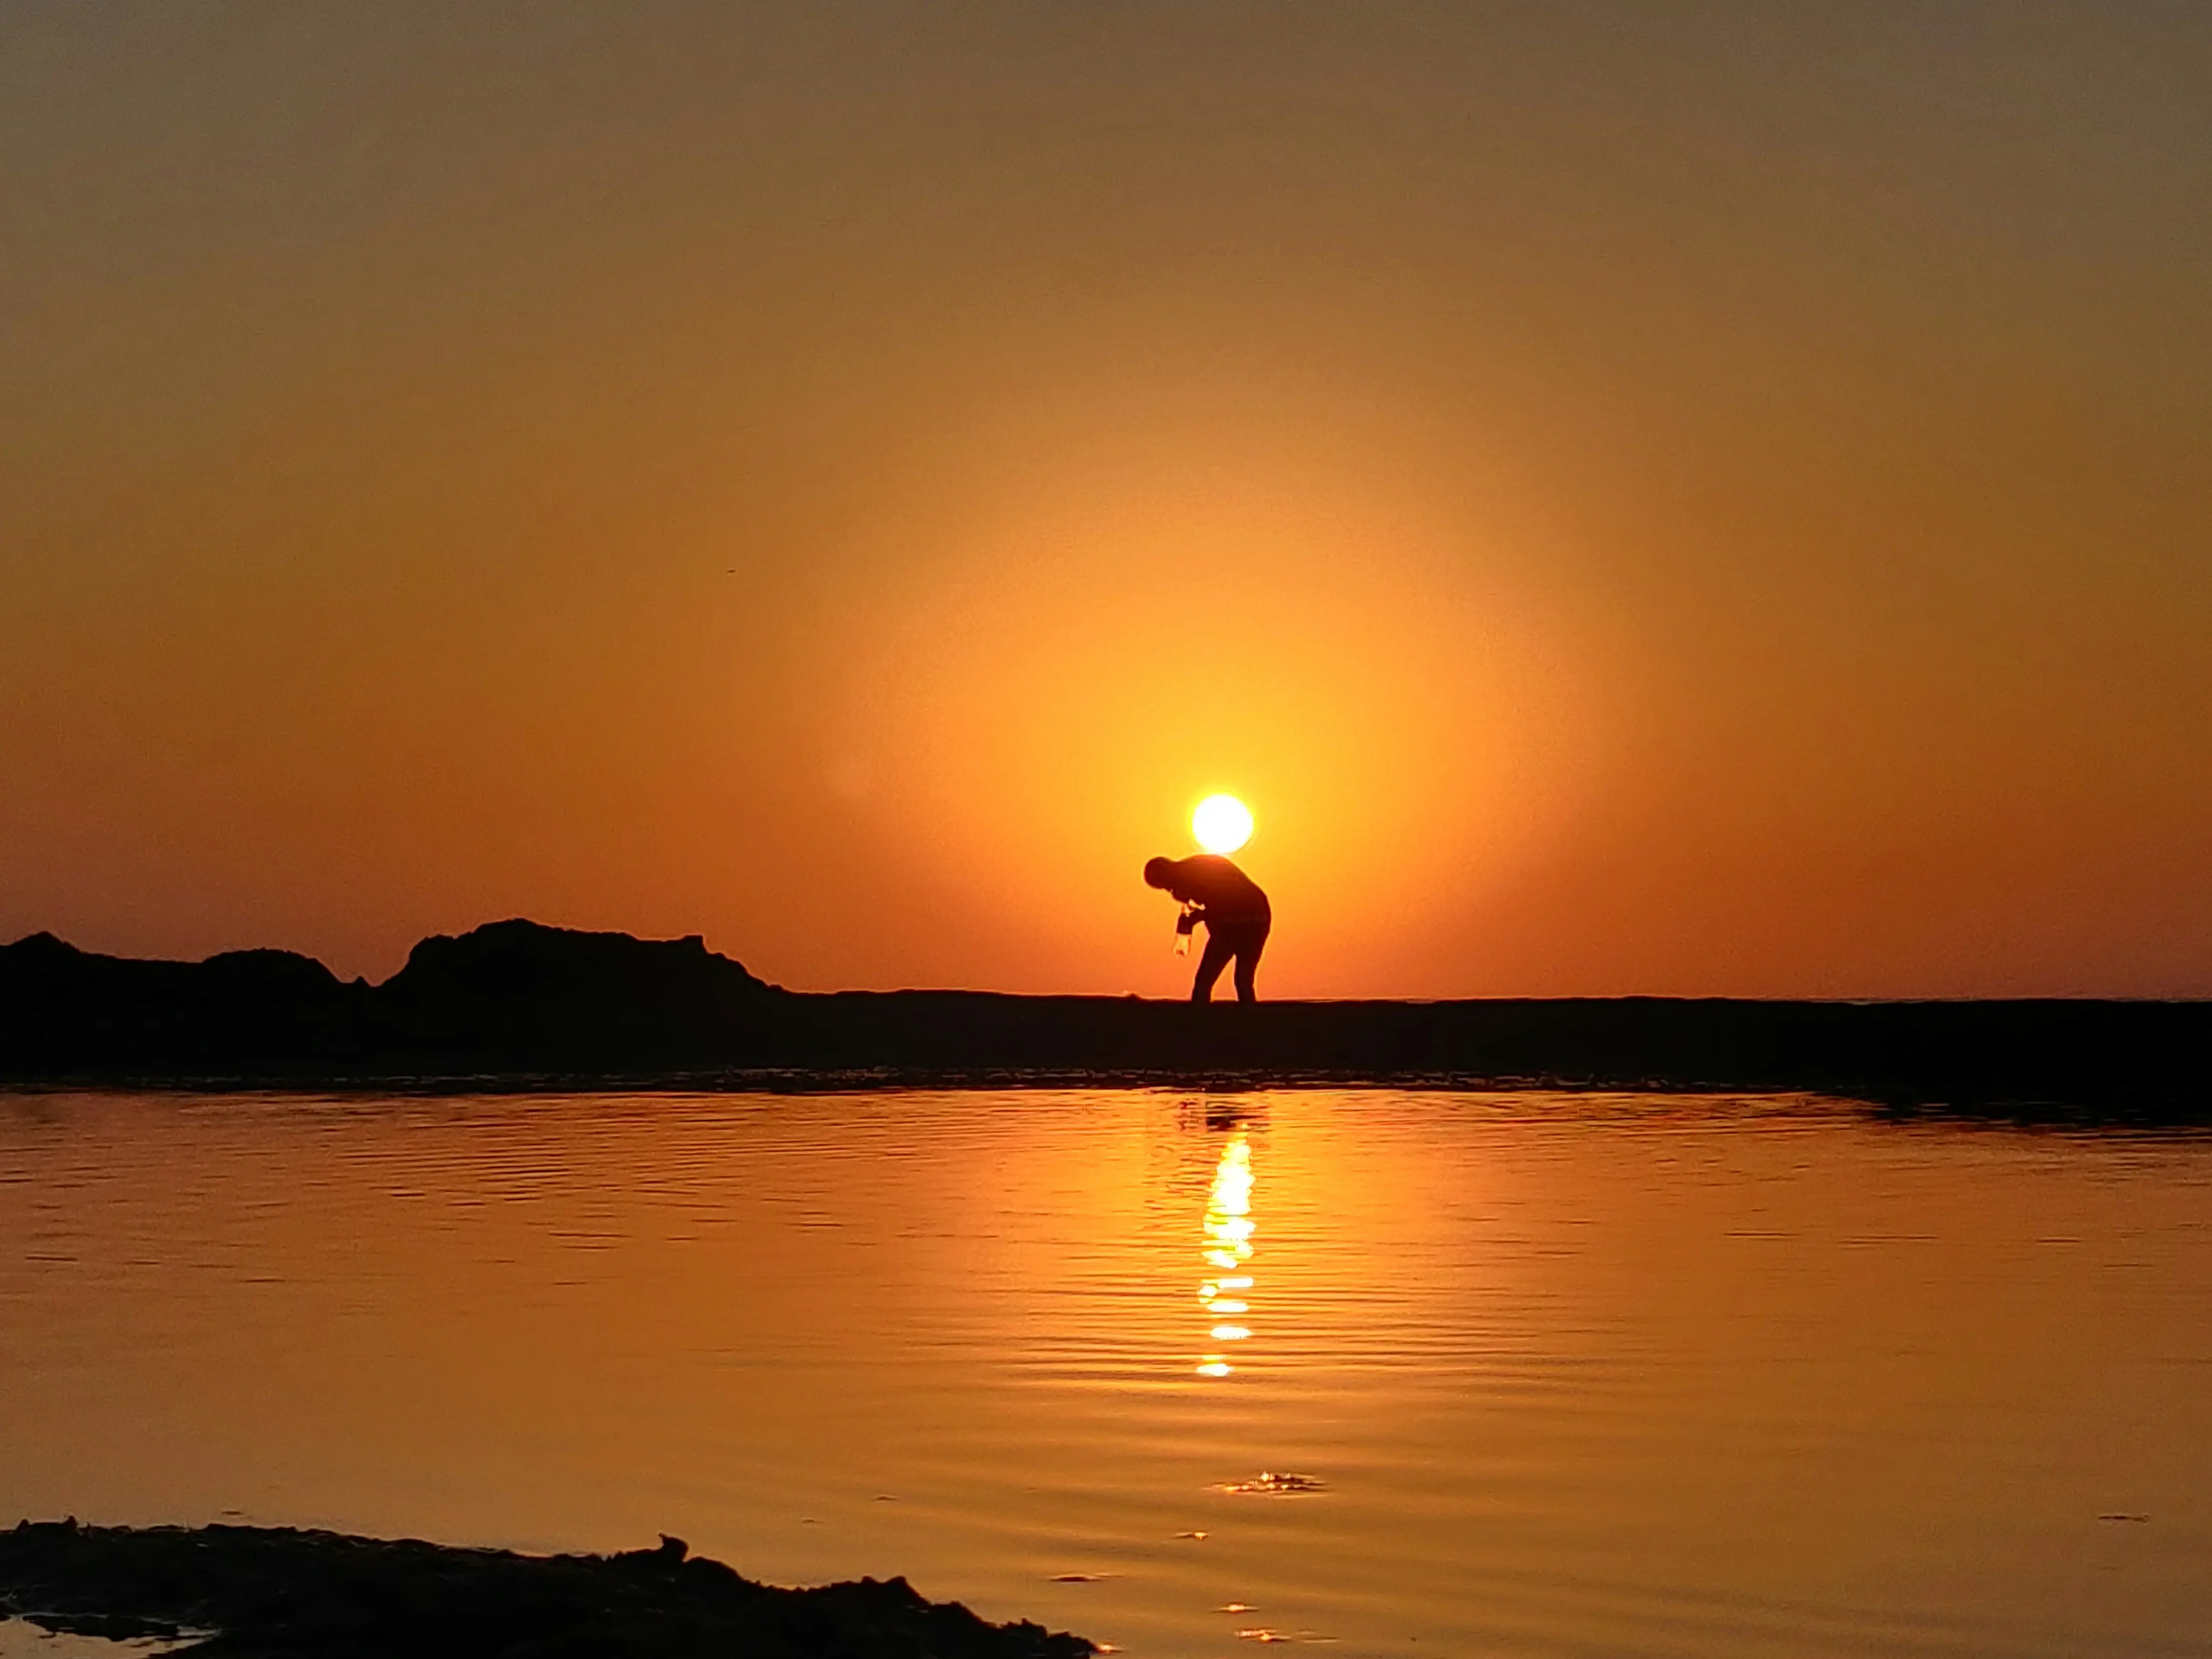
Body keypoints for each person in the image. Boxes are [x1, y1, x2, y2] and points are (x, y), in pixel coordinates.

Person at [1144, 853, 1271, 1004]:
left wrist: (1191, 921)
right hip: (1258, 918)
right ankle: (1249, 1015)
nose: (1170, 891)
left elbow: (1219, 905)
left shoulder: (1192, 874)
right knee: (1242, 980)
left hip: (1242, 921)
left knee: (1207, 980)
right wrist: (1189, 922)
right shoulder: (1190, 873)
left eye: (1167, 886)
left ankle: (1202, 1016)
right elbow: (1207, 907)